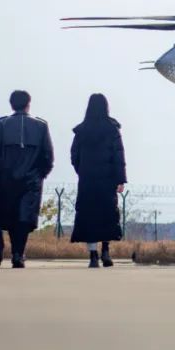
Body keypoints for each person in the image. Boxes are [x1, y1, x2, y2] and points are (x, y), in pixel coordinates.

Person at [0, 90, 55, 268]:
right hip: (31, 180)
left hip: (7, 178)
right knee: (23, 218)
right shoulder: (41, 126)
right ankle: (18, 253)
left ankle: (13, 252)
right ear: (28, 104)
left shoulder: (2, 124)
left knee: (9, 216)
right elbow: (48, 155)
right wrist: (40, 175)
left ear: (11, 104)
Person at [70, 93, 127, 268]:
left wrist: (82, 171)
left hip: (87, 180)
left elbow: (74, 155)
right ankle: (106, 252)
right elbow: (118, 155)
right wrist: (120, 179)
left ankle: (93, 255)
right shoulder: (112, 129)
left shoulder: (81, 130)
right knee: (107, 215)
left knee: (89, 216)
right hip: (107, 180)